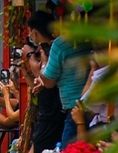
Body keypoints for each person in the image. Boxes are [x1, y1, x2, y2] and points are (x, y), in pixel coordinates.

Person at [29, 10, 91, 145]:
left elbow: (49, 81)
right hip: (95, 110)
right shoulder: (91, 41)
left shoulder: (61, 44)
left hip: (74, 110)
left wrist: (43, 63)